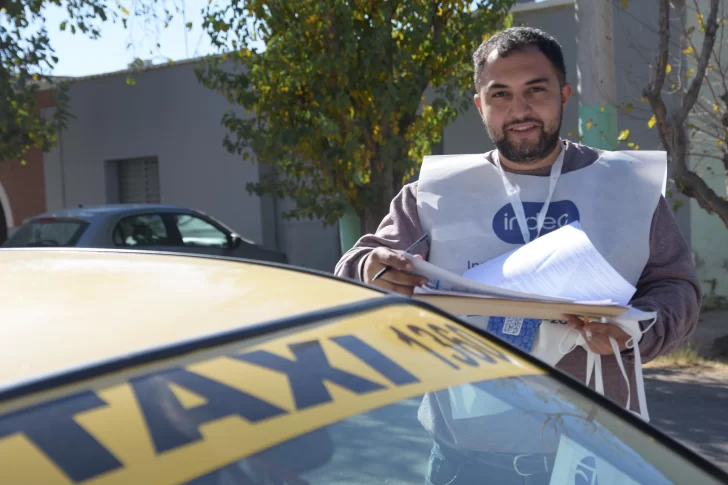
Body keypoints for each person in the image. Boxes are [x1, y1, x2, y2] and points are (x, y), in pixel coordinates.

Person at [334, 27, 701, 484]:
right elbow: (358, 265)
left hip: (594, 455)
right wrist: (370, 270)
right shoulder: (434, 194)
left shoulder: (628, 188)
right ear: (479, 105)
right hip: (463, 464)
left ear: (564, 94)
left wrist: (635, 329)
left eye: (536, 90)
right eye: (500, 94)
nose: (519, 109)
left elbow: (675, 287)